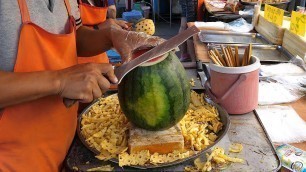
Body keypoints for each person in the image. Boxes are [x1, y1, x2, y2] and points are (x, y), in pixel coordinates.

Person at [0, 0, 163, 171]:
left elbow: (75, 36)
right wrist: (59, 81)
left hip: (63, 146)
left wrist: (110, 36)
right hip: (12, 159)